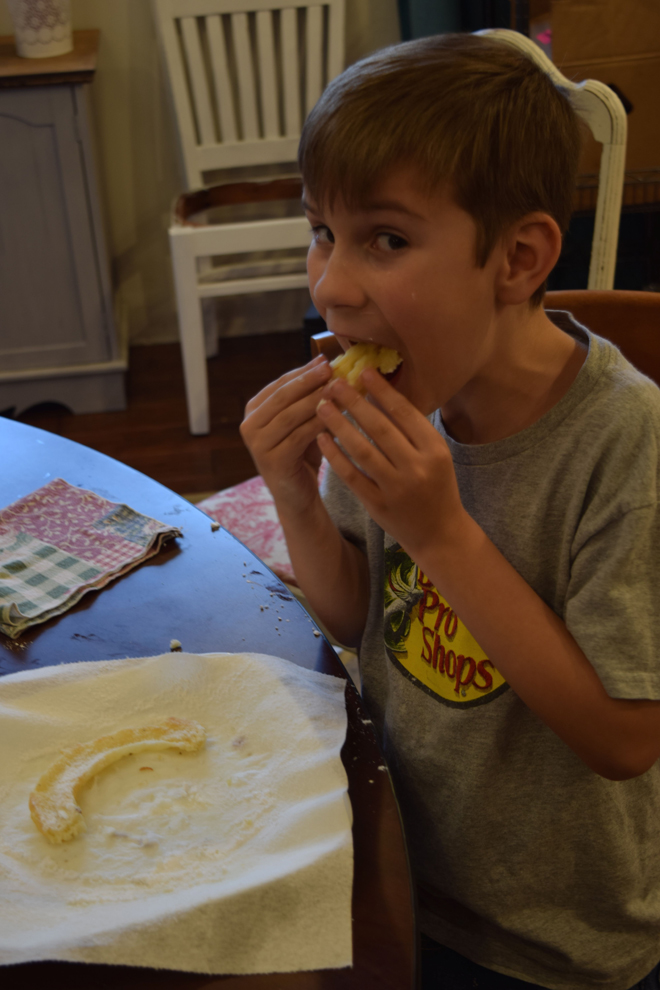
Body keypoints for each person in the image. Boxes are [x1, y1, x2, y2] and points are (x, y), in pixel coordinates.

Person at [240, 33, 660, 990]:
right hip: (407, 869)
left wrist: (442, 532)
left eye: (386, 239)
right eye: (322, 232)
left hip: (556, 940)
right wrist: (295, 497)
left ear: (517, 258)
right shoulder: (403, 397)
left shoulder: (626, 444)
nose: (331, 284)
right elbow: (357, 618)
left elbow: (625, 741)